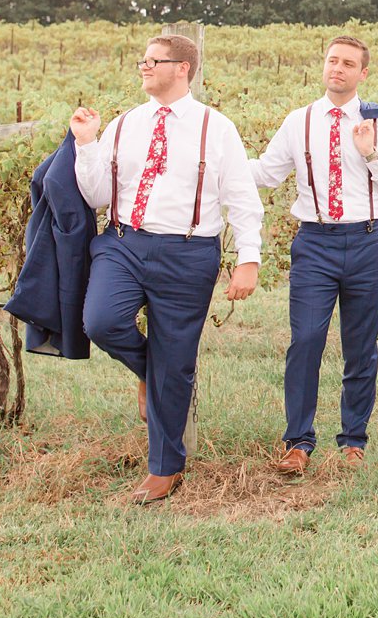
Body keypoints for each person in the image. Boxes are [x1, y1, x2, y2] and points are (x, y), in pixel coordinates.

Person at [71, 34, 262, 504]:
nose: (143, 67)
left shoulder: (216, 128)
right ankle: (147, 369)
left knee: (176, 362)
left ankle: (165, 467)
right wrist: (87, 144)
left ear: (183, 68)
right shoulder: (124, 124)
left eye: (153, 61)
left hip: (188, 252)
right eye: (141, 59)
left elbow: (241, 197)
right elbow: (96, 194)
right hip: (124, 243)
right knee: (101, 321)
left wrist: (248, 259)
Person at [250, 36, 378, 473]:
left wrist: (371, 154)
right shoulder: (299, 122)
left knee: (361, 345)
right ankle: (298, 442)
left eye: (348, 63)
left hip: (367, 241)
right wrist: (214, 162)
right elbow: (266, 173)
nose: (337, 68)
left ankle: (353, 439)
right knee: (305, 340)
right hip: (315, 244)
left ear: (363, 73)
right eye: (331, 61)